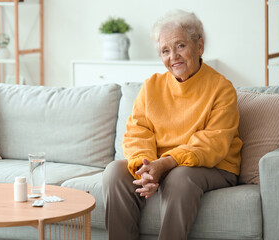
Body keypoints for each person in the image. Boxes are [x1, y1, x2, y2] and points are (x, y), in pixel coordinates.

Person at [102, 9, 242, 240]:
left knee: (179, 177)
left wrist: (165, 164)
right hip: (160, 162)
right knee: (114, 172)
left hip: (214, 166)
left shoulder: (221, 88)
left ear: (199, 47)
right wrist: (144, 167)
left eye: (180, 46)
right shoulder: (151, 87)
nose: (173, 56)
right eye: (165, 51)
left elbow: (213, 143)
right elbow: (138, 131)